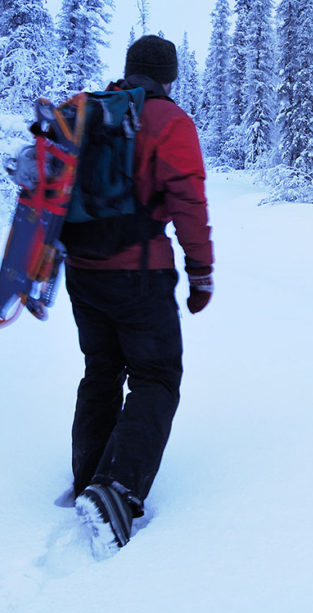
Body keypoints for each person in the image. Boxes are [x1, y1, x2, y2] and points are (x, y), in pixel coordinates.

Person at [65, 35, 214, 556]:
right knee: (155, 376)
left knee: (100, 371)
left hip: (81, 274)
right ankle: (116, 490)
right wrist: (201, 273)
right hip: (139, 276)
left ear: (128, 71)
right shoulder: (170, 122)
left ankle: (89, 477)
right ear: (169, 76)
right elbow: (188, 201)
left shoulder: (83, 111)